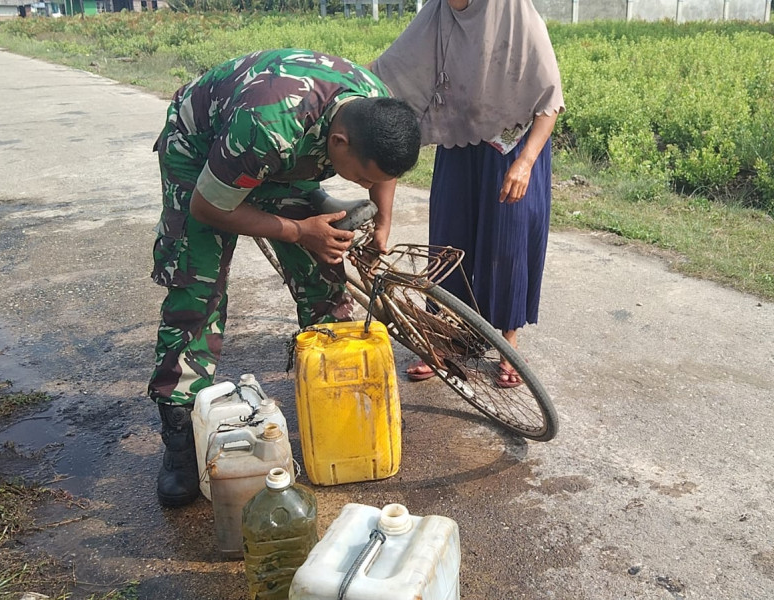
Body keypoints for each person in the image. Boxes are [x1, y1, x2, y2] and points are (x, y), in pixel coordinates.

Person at [148, 48, 420, 507]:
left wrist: (383, 228)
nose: (359, 186)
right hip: (201, 153)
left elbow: (383, 173)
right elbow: (208, 206)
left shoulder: (376, 107)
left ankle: (338, 388)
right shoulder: (265, 128)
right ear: (338, 144)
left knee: (325, 269)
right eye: (356, 176)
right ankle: (179, 430)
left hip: (284, 155)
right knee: (200, 286)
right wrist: (298, 231)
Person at [371, 0, 564, 388]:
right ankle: (448, 338)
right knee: (448, 238)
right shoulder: (435, 15)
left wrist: (525, 163)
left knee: (506, 245)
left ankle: (508, 341)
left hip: (512, 149)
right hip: (458, 143)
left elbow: (549, 98)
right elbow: (386, 83)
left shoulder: (512, 10)